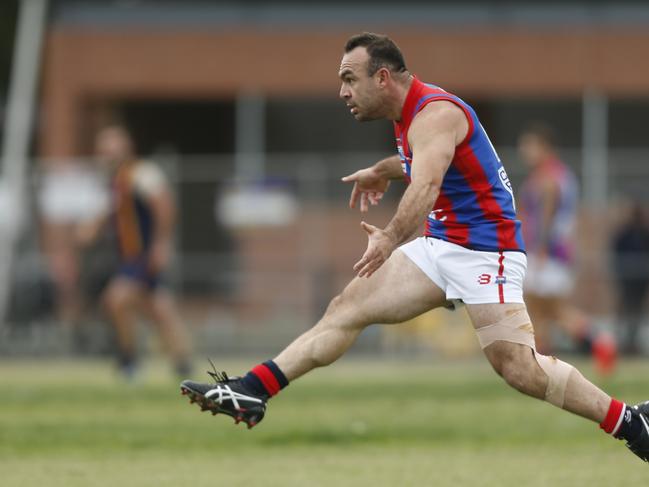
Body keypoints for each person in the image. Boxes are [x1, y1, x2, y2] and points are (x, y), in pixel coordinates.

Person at [180, 33, 649, 462]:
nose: (343, 91)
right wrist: (382, 170)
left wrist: (389, 238)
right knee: (347, 306)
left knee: (518, 369)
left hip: (488, 250)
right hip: (441, 245)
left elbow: (425, 184)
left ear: (382, 77)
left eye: (349, 78)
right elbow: (416, 161)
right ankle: (252, 388)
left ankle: (632, 422)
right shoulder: (412, 119)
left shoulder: (436, 114)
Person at [78, 125, 192, 379]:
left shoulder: (141, 173)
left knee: (116, 299)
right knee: (158, 309)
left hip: (142, 255)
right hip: (130, 256)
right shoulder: (116, 181)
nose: (106, 156)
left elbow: (164, 204)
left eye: (112, 150)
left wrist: (161, 244)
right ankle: (182, 363)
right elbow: (111, 212)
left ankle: (128, 362)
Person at [517, 123, 616, 370]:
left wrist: (539, 250)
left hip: (547, 253)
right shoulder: (562, 174)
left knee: (546, 310)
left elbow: (546, 217)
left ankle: (597, 342)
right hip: (558, 253)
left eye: (530, 146)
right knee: (546, 312)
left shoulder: (548, 178)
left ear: (544, 147)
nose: (526, 152)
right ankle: (544, 359)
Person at [612, 203, 649, 355]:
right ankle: (623, 342)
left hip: (641, 281)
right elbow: (616, 250)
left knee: (637, 310)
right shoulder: (625, 234)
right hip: (627, 280)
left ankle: (634, 342)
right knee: (626, 310)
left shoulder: (645, 234)